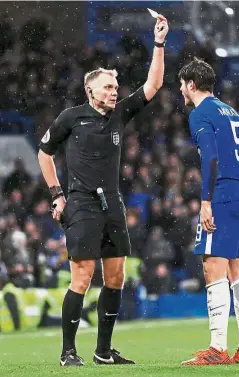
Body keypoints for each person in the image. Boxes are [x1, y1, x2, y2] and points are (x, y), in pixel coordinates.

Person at [38, 15, 169, 367]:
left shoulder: (119, 114)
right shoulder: (71, 117)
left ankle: (103, 351)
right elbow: (44, 153)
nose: (115, 91)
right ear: (91, 90)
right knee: (81, 277)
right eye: (109, 87)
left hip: (112, 203)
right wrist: (57, 194)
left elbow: (153, 85)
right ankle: (68, 352)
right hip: (79, 202)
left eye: (115, 86)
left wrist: (158, 44)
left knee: (116, 277)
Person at [178, 58, 239, 366]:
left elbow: (211, 158)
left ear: (191, 84)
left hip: (223, 196)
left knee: (212, 266)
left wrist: (205, 201)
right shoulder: (234, 114)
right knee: (238, 273)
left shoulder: (200, 113)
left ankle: (217, 348)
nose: (180, 90)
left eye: (181, 84)